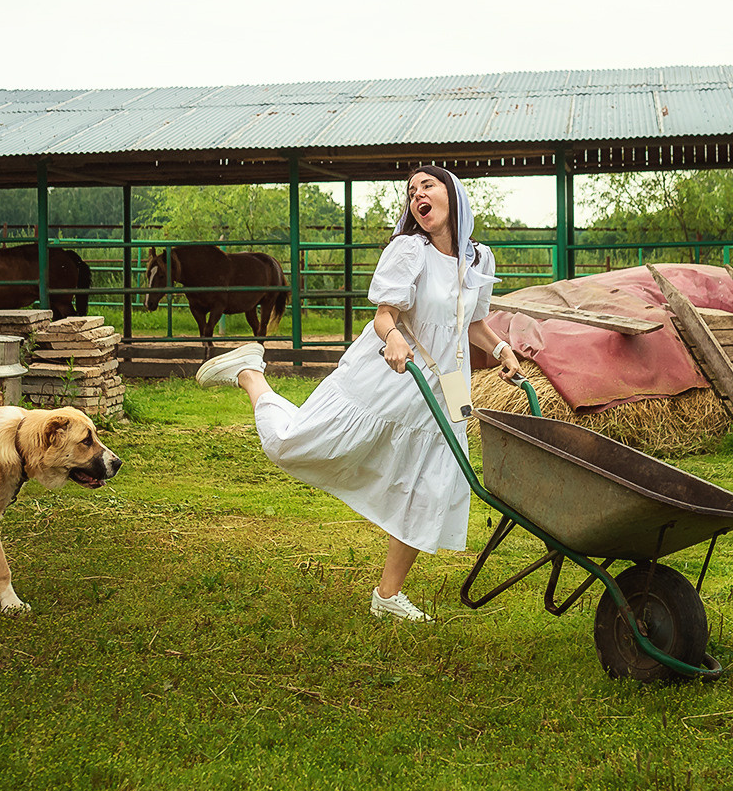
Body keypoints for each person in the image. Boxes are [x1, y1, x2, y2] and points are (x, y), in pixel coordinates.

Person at [196, 165, 521, 622]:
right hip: (391, 376)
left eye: (427, 186)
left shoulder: (479, 258)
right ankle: (251, 374)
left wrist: (502, 348)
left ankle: (387, 596)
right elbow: (384, 316)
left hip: (448, 386)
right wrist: (391, 337)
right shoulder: (410, 251)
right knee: (290, 445)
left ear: (453, 194)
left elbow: (474, 324)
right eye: (410, 192)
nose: (417, 196)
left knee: (433, 486)